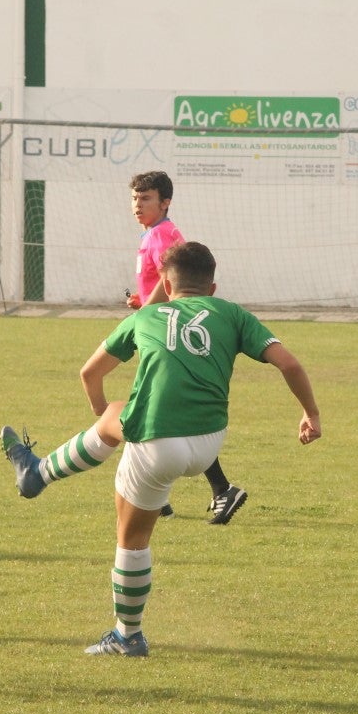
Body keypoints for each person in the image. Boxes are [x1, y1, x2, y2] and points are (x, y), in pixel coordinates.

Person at [1, 241, 321, 657]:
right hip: (208, 445)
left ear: (167, 288)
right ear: (213, 287)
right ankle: (37, 474)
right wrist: (310, 414)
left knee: (131, 540)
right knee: (119, 415)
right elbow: (290, 365)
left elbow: (89, 373)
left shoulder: (146, 315)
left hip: (155, 448)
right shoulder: (234, 313)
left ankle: (127, 636)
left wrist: (107, 427)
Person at [124, 170, 247, 524]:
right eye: (135, 198)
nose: (138, 204)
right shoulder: (153, 233)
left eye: (146, 198)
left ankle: (207, 490)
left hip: (164, 330)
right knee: (159, 407)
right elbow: (164, 282)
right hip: (166, 325)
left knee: (148, 407)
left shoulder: (162, 235)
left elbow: (171, 279)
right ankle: (199, 492)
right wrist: (143, 301)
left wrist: (147, 314)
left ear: (165, 202)